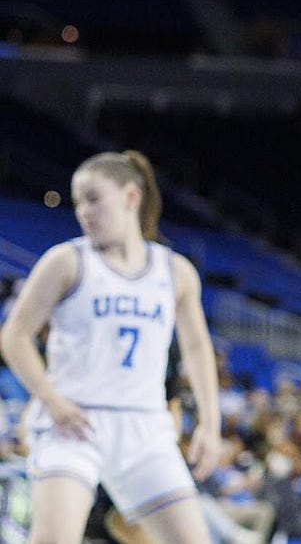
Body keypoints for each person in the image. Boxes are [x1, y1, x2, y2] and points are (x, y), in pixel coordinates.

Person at [0, 150, 222, 543]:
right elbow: (14, 335)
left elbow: (197, 347)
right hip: (73, 422)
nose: (83, 211)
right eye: (78, 202)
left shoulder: (175, 271)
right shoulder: (66, 261)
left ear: (131, 197)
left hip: (145, 426)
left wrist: (210, 421)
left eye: (93, 198)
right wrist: (51, 399)